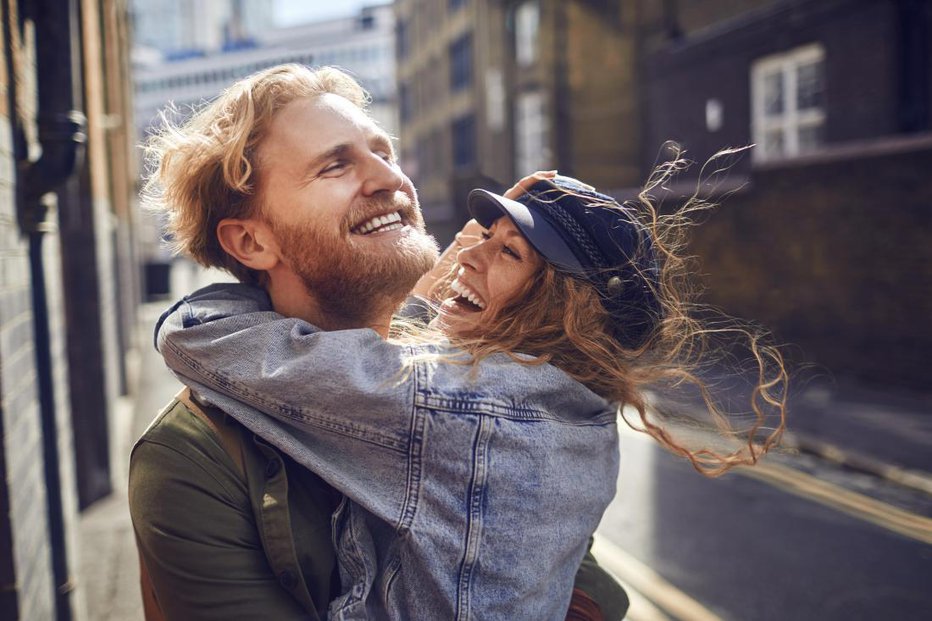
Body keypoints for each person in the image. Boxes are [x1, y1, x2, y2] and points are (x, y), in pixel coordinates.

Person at [151, 154, 788, 616]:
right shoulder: (569, 406)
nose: (469, 254)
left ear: (562, 309)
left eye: (509, 254)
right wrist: (456, 294)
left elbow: (202, 339)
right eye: (485, 236)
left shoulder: (462, 409)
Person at [129, 64, 628, 620]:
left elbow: (578, 570)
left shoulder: (476, 380)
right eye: (335, 166)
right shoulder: (191, 455)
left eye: (384, 153)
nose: (390, 178)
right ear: (250, 240)